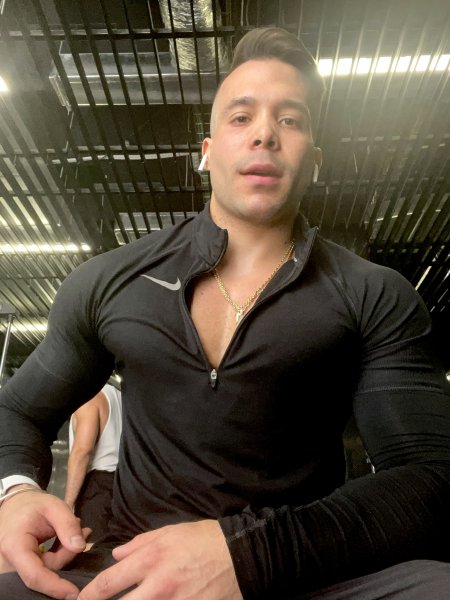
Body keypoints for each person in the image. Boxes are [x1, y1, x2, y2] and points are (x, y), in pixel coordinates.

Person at [0, 26, 449, 600]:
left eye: (290, 119)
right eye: (241, 117)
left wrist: (249, 554)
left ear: (315, 161)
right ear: (207, 152)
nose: (264, 133)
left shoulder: (374, 293)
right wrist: (16, 491)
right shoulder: (111, 281)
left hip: (299, 572)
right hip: (130, 568)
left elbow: (431, 478)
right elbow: (17, 411)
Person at [65, 381, 122, 543]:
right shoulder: (120, 396)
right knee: (115, 550)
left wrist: (68, 505)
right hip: (125, 485)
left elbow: (82, 451)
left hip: (98, 488)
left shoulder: (89, 399)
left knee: (90, 550)